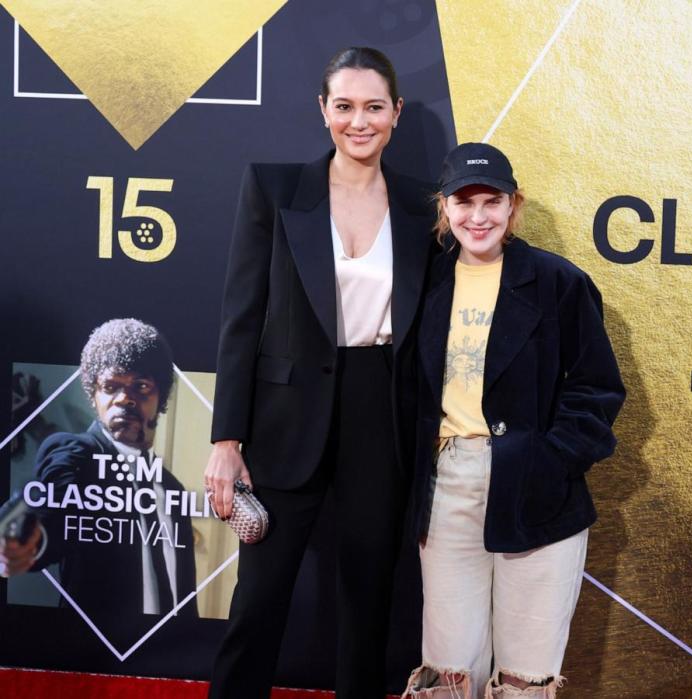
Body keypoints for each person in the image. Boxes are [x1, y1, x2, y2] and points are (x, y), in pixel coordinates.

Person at [204, 46, 433, 699]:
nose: (358, 121)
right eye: (344, 106)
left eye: (373, 107)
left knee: (369, 608)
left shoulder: (424, 206)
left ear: (396, 113)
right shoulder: (277, 188)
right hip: (285, 417)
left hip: (380, 417)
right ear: (323, 110)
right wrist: (227, 439)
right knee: (258, 603)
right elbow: (241, 319)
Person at [402, 143, 625, 698]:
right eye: (463, 202)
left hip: (537, 488)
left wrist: (551, 461)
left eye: (491, 202)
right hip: (445, 487)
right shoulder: (420, 283)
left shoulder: (558, 282)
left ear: (513, 205)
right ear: (443, 208)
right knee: (448, 668)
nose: (477, 217)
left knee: (528, 671)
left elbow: (597, 388)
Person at [0, 318, 198, 646]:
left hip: (172, 657)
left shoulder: (172, 488)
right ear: (94, 393)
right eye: (111, 386)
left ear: (160, 397)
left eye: (141, 386)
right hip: (93, 655)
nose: (125, 398)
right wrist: (24, 535)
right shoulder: (75, 450)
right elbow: (53, 496)